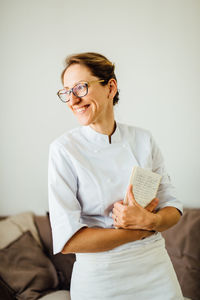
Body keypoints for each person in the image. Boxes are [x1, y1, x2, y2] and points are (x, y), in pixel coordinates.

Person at [48, 52, 184, 300]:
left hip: (156, 273)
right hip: (101, 281)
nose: (73, 100)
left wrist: (149, 220)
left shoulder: (143, 140)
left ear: (110, 87)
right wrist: (140, 230)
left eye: (80, 87)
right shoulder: (63, 150)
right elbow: (69, 241)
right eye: (67, 92)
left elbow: (172, 208)